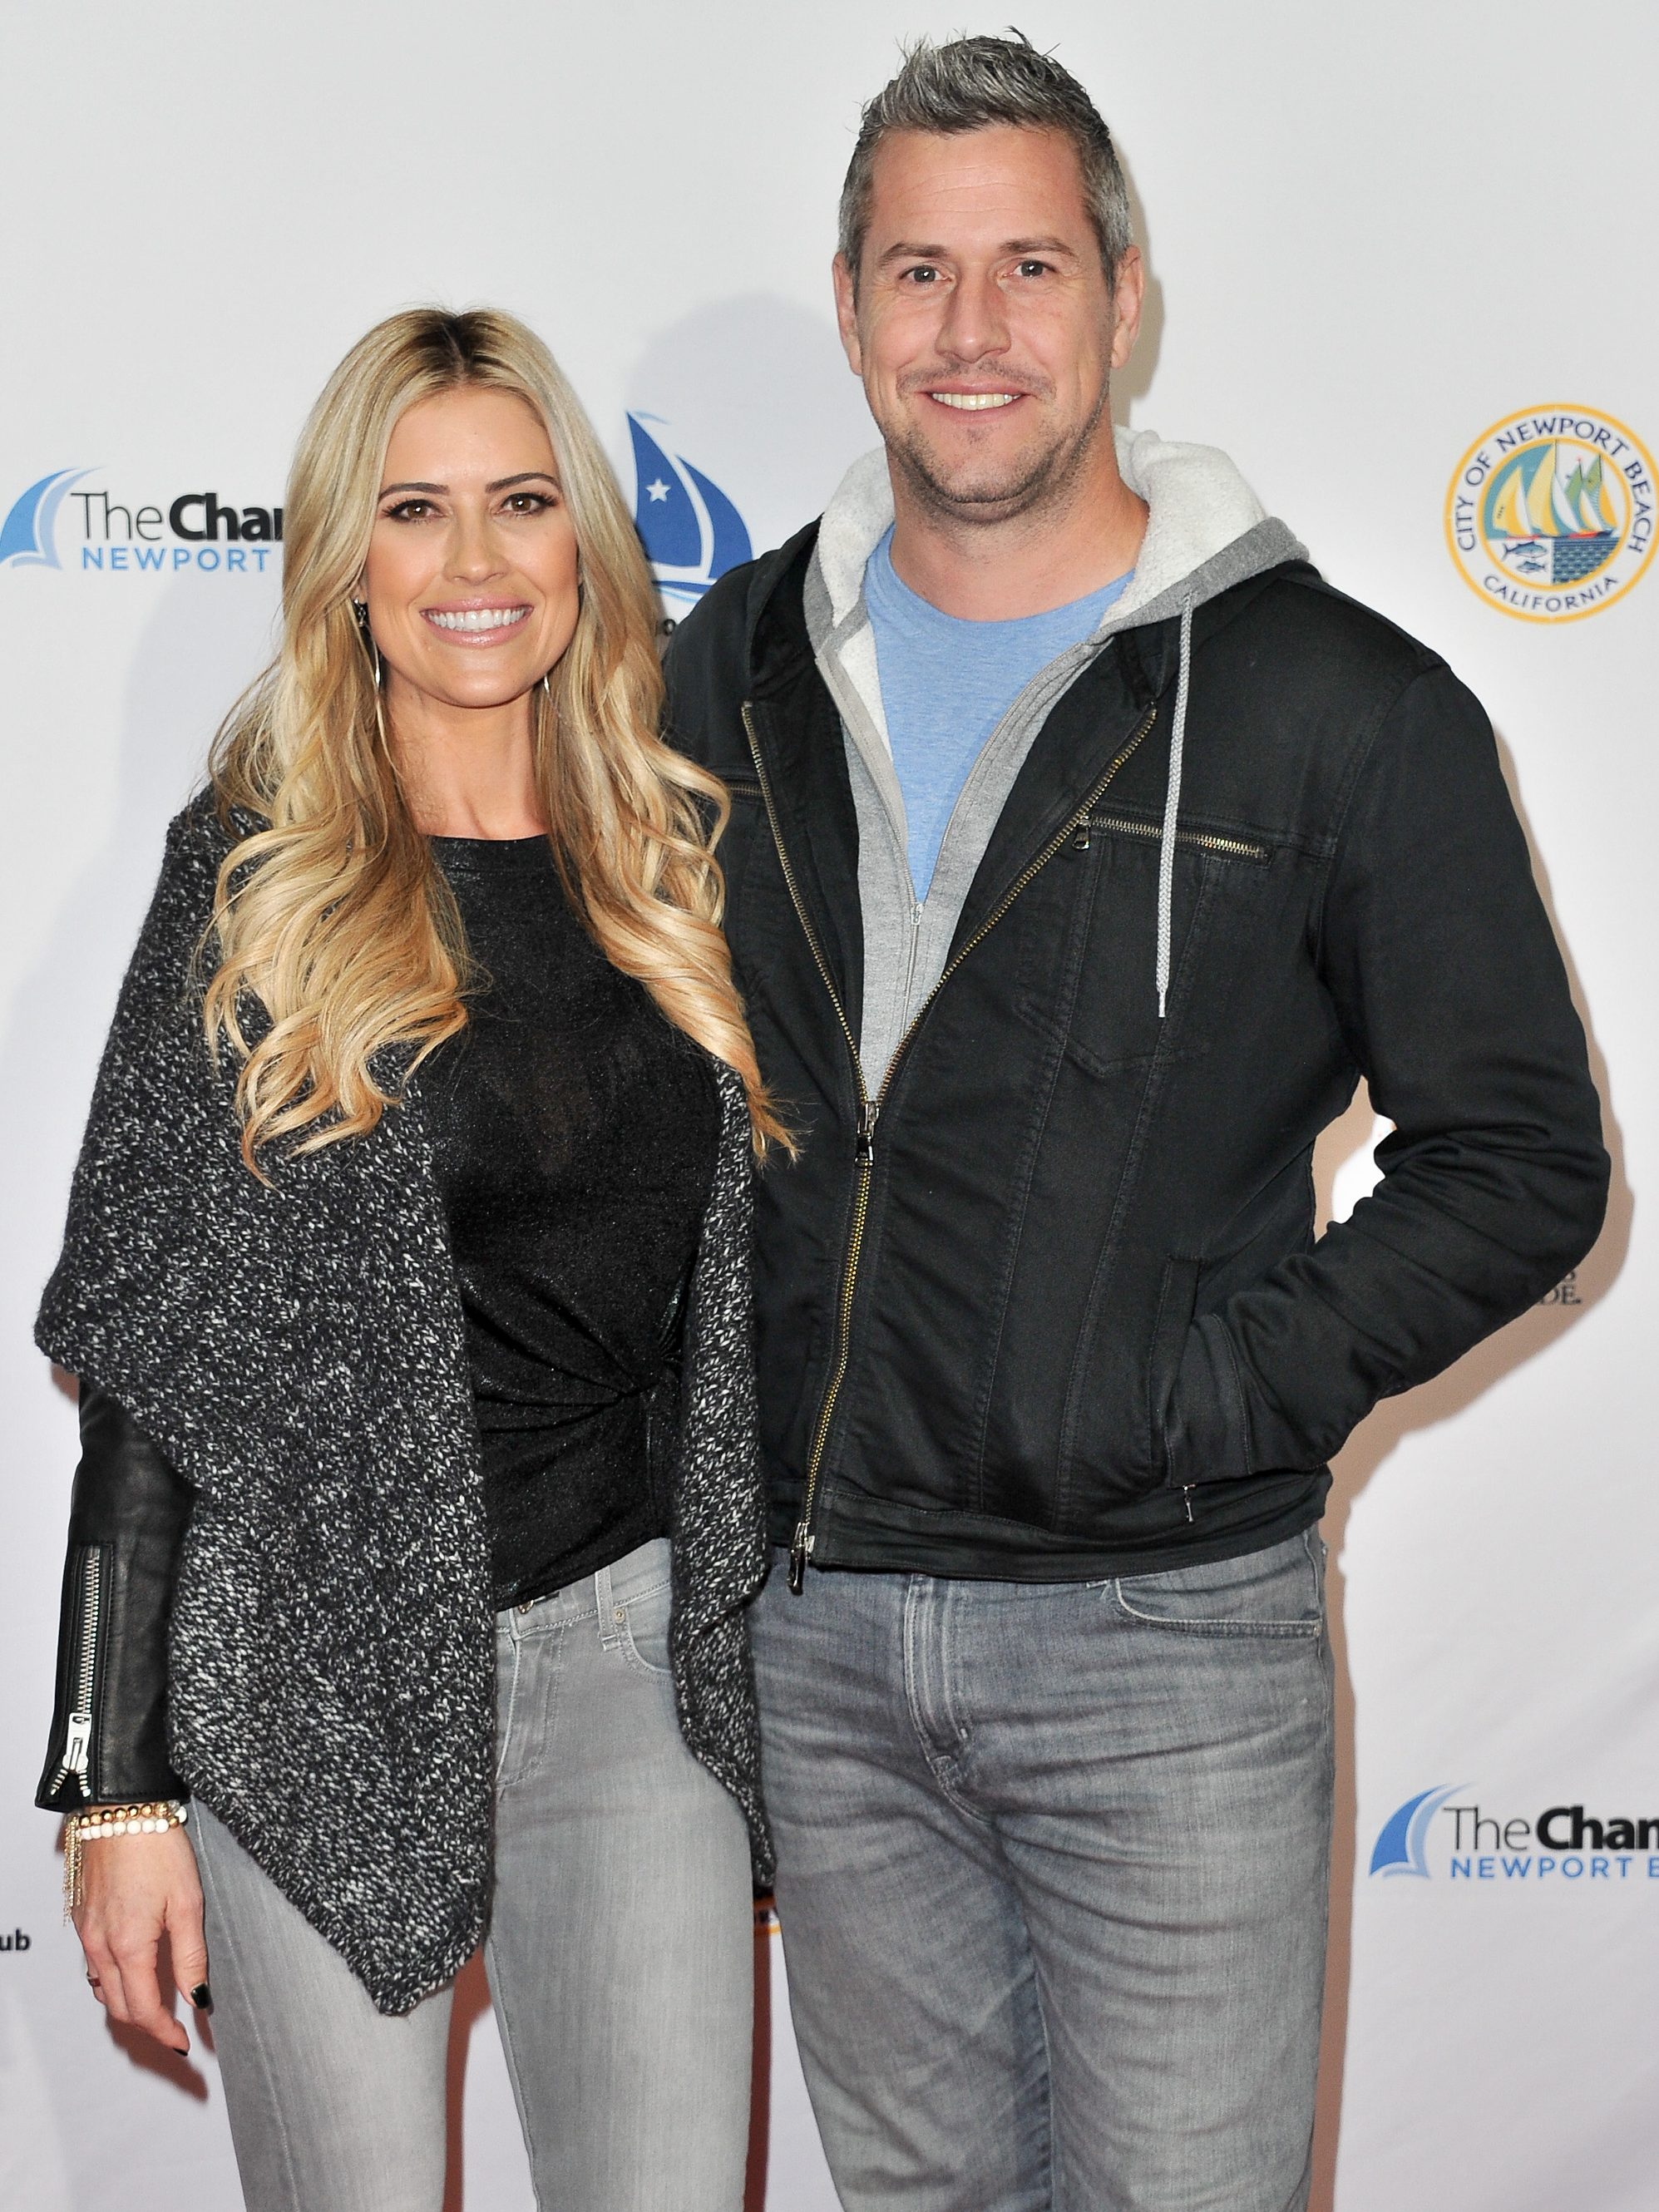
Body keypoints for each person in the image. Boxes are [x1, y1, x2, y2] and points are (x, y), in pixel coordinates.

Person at [663, 33, 1608, 2212]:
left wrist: (1202, 1391)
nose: (969, 334)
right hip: (814, 1640)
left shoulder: (1333, 704)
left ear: (1121, 294)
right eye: (918, 273)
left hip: (1162, 1646)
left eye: (1024, 269)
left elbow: (1525, 1163)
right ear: (845, 305)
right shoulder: (718, 676)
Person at [36, 305, 779, 2212]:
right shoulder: (255, 875)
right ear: (340, 565)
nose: (471, 563)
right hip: (319, 1663)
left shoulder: (678, 865)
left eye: (519, 503)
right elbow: (148, 1347)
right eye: (413, 508)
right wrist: (112, 1782)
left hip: (639, 1668)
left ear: (584, 548)